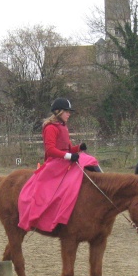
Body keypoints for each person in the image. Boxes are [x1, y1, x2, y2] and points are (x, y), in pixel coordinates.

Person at [17, 98, 100, 232]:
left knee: (89, 159)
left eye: (69, 112)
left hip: (64, 160)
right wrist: (69, 156)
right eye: (67, 112)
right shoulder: (50, 128)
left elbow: (66, 149)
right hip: (54, 163)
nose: (69, 114)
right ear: (58, 112)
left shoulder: (63, 127)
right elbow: (50, 150)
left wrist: (77, 148)